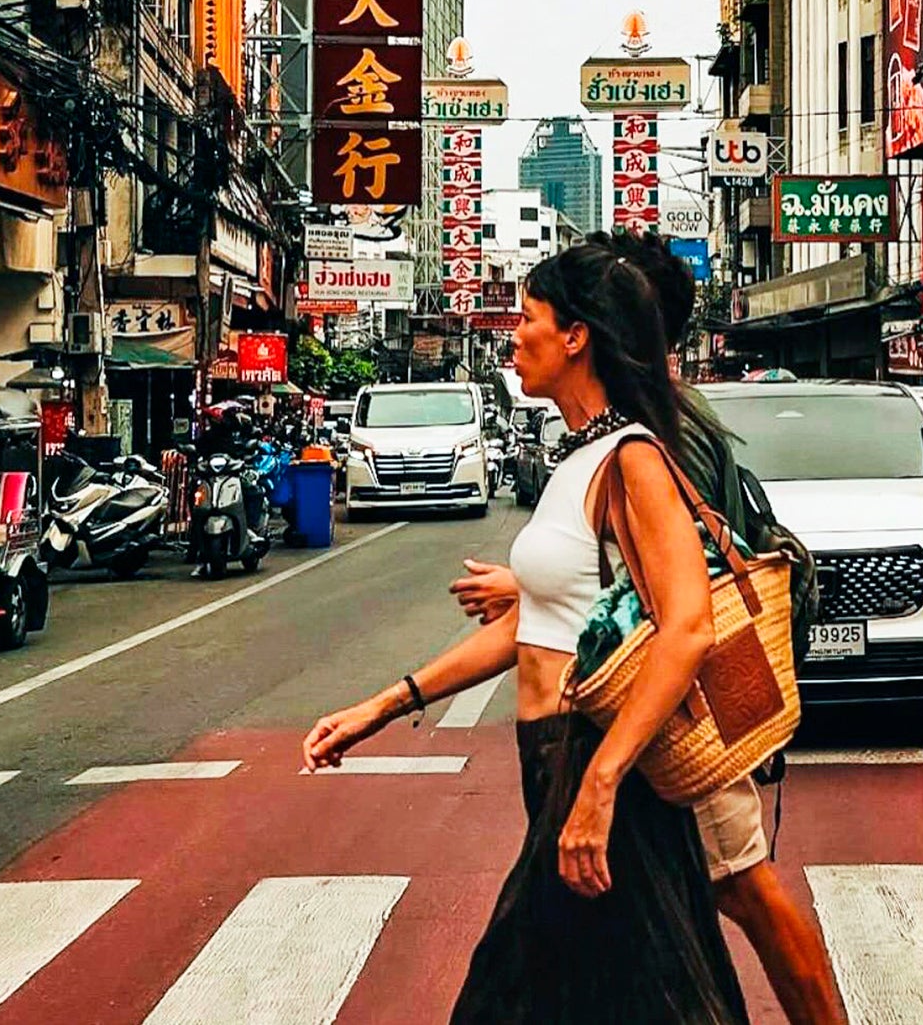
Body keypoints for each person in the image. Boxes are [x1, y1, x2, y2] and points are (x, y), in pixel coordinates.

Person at [303, 244, 749, 1024]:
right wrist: (380, 706)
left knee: (513, 997)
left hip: (602, 764)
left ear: (576, 336)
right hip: (555, 764)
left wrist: (600, 784)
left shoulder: (632, 458)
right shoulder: (582, 458)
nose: (514, 336)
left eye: (530, 319)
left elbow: (687, 626)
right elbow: (532, 627)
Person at [454, 230, 846, 1025]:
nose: (519, 333)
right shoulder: (624, 428)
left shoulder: (654, 435)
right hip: (639, 718)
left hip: (669, 715)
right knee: (665, 942)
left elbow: (671, 589)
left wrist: (599, 780)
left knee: (741, 889)